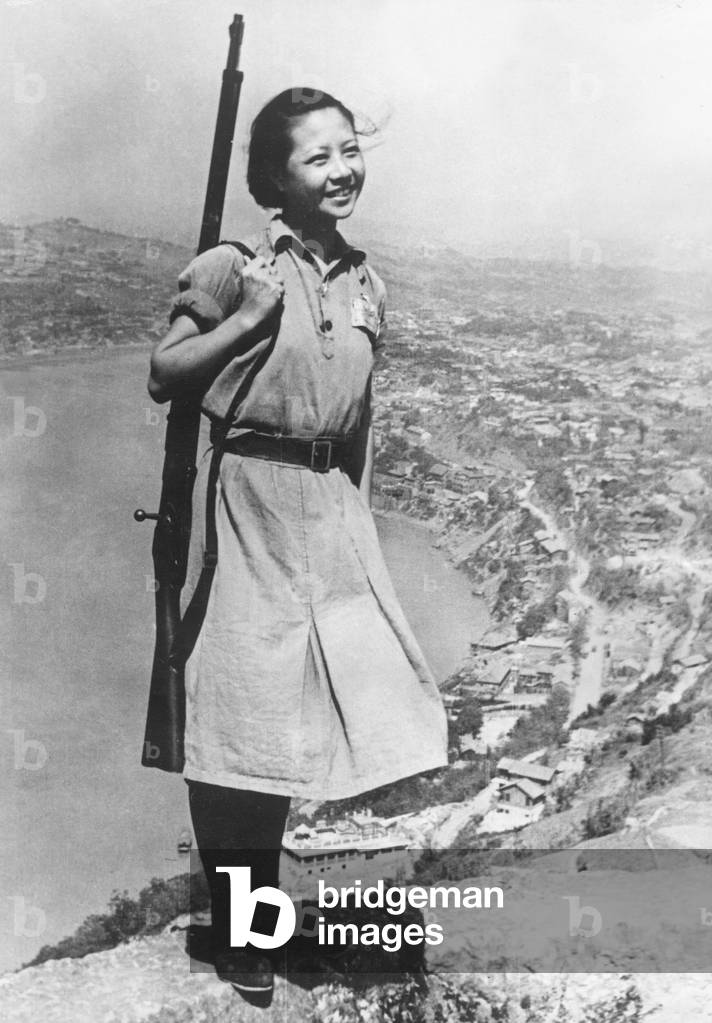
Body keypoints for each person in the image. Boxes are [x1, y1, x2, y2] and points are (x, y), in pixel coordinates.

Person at [147, 88, 448, 997]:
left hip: (330, 509)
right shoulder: (233, 265)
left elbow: (357, 419)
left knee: (308, 713)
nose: (343, 169)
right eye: (318, 158)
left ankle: (261, 918)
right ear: (276, 178)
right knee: (239, 710)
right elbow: (165, 375)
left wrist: (356, 520)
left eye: (349, 150)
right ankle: (240, 929)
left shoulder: (367, 282)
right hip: (248, 502)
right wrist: (247, 319)